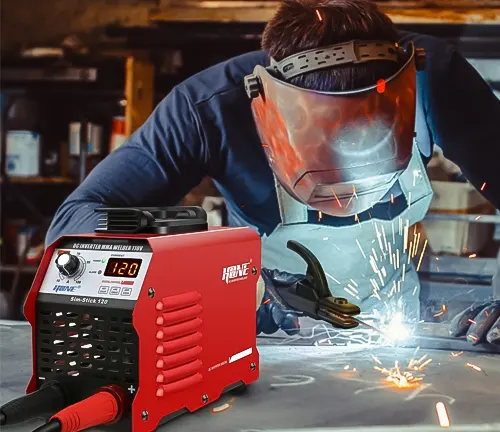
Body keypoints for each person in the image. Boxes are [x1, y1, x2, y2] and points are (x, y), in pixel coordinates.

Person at [46, 0, 500, 345]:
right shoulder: (209, 108)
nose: (347, 201)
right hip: (261, 336)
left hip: (398, 328)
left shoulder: (431, 78)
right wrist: (215, 263)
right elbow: (72, 225)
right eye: (324, 180)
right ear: (270, 118)